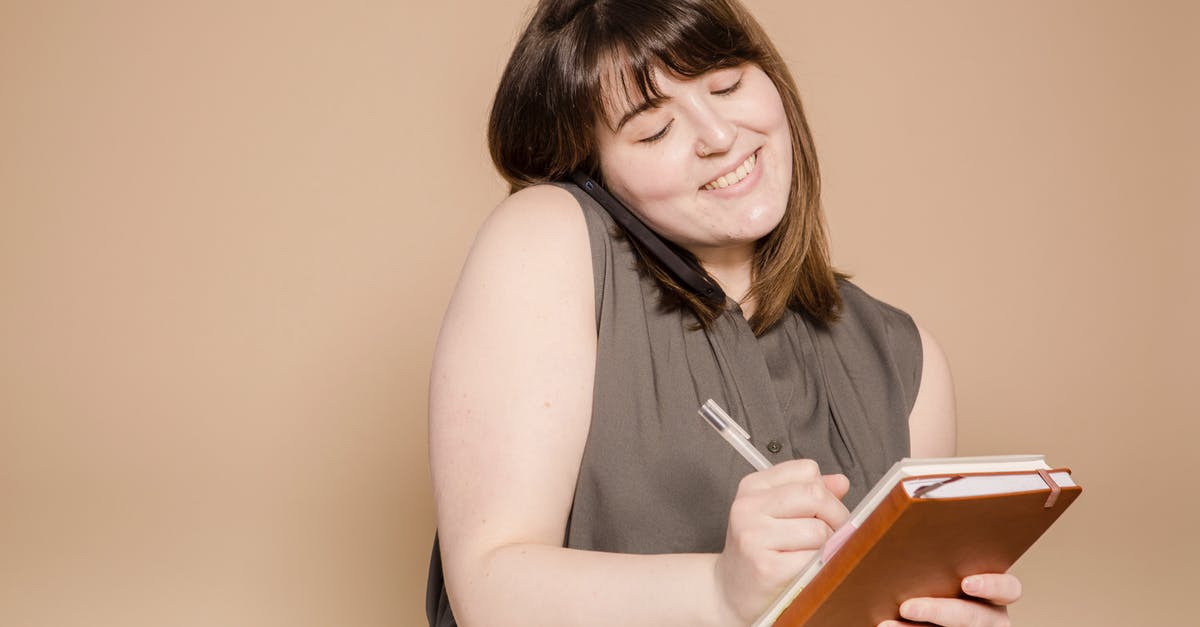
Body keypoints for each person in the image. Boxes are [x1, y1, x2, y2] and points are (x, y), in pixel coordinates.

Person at [427, 1, 1022, 625]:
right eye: (655, 130)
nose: (718, 137)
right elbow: (488, 591)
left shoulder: (907, 360)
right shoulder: (545, 237)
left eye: (727, 85)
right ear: (590, 170)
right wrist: (719, 590)